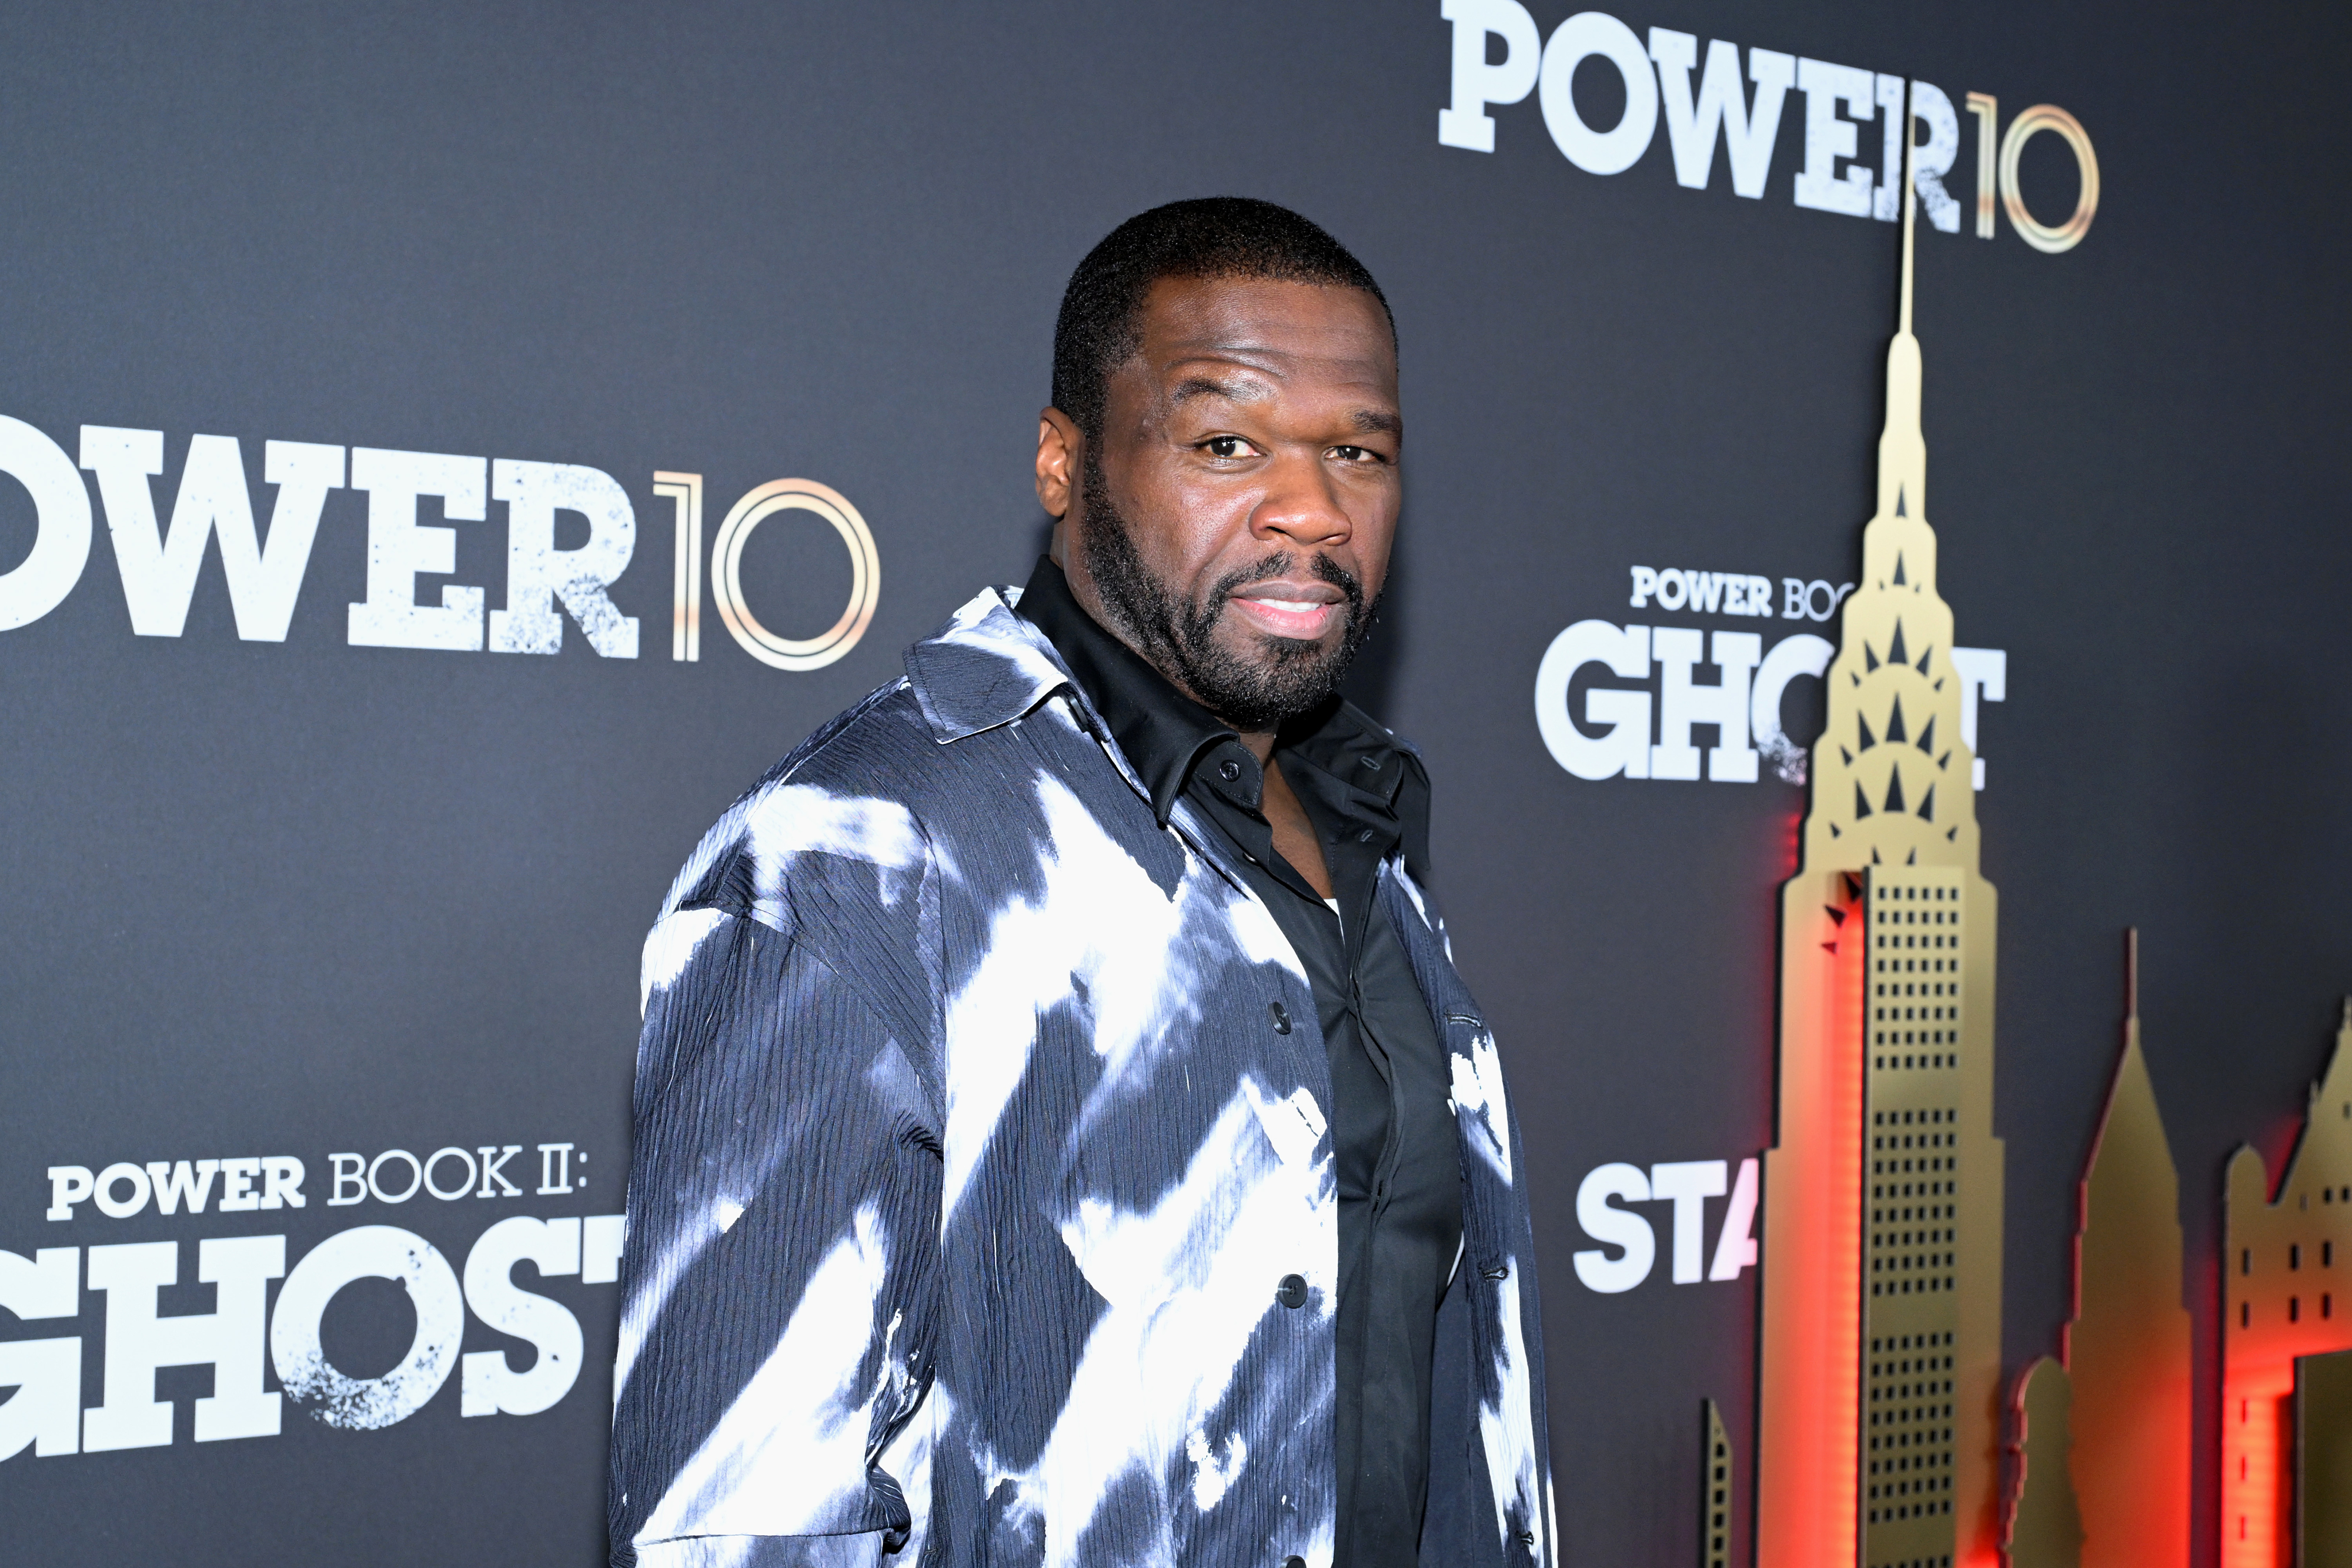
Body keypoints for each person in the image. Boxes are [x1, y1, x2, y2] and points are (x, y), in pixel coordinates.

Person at [607, 198, 1554, 1568]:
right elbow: (735, 1524)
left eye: (1356, 450)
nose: (1309, 506)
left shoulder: (1364, 829)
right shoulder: (860, 854)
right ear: (1064, 463)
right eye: (1224, 442)